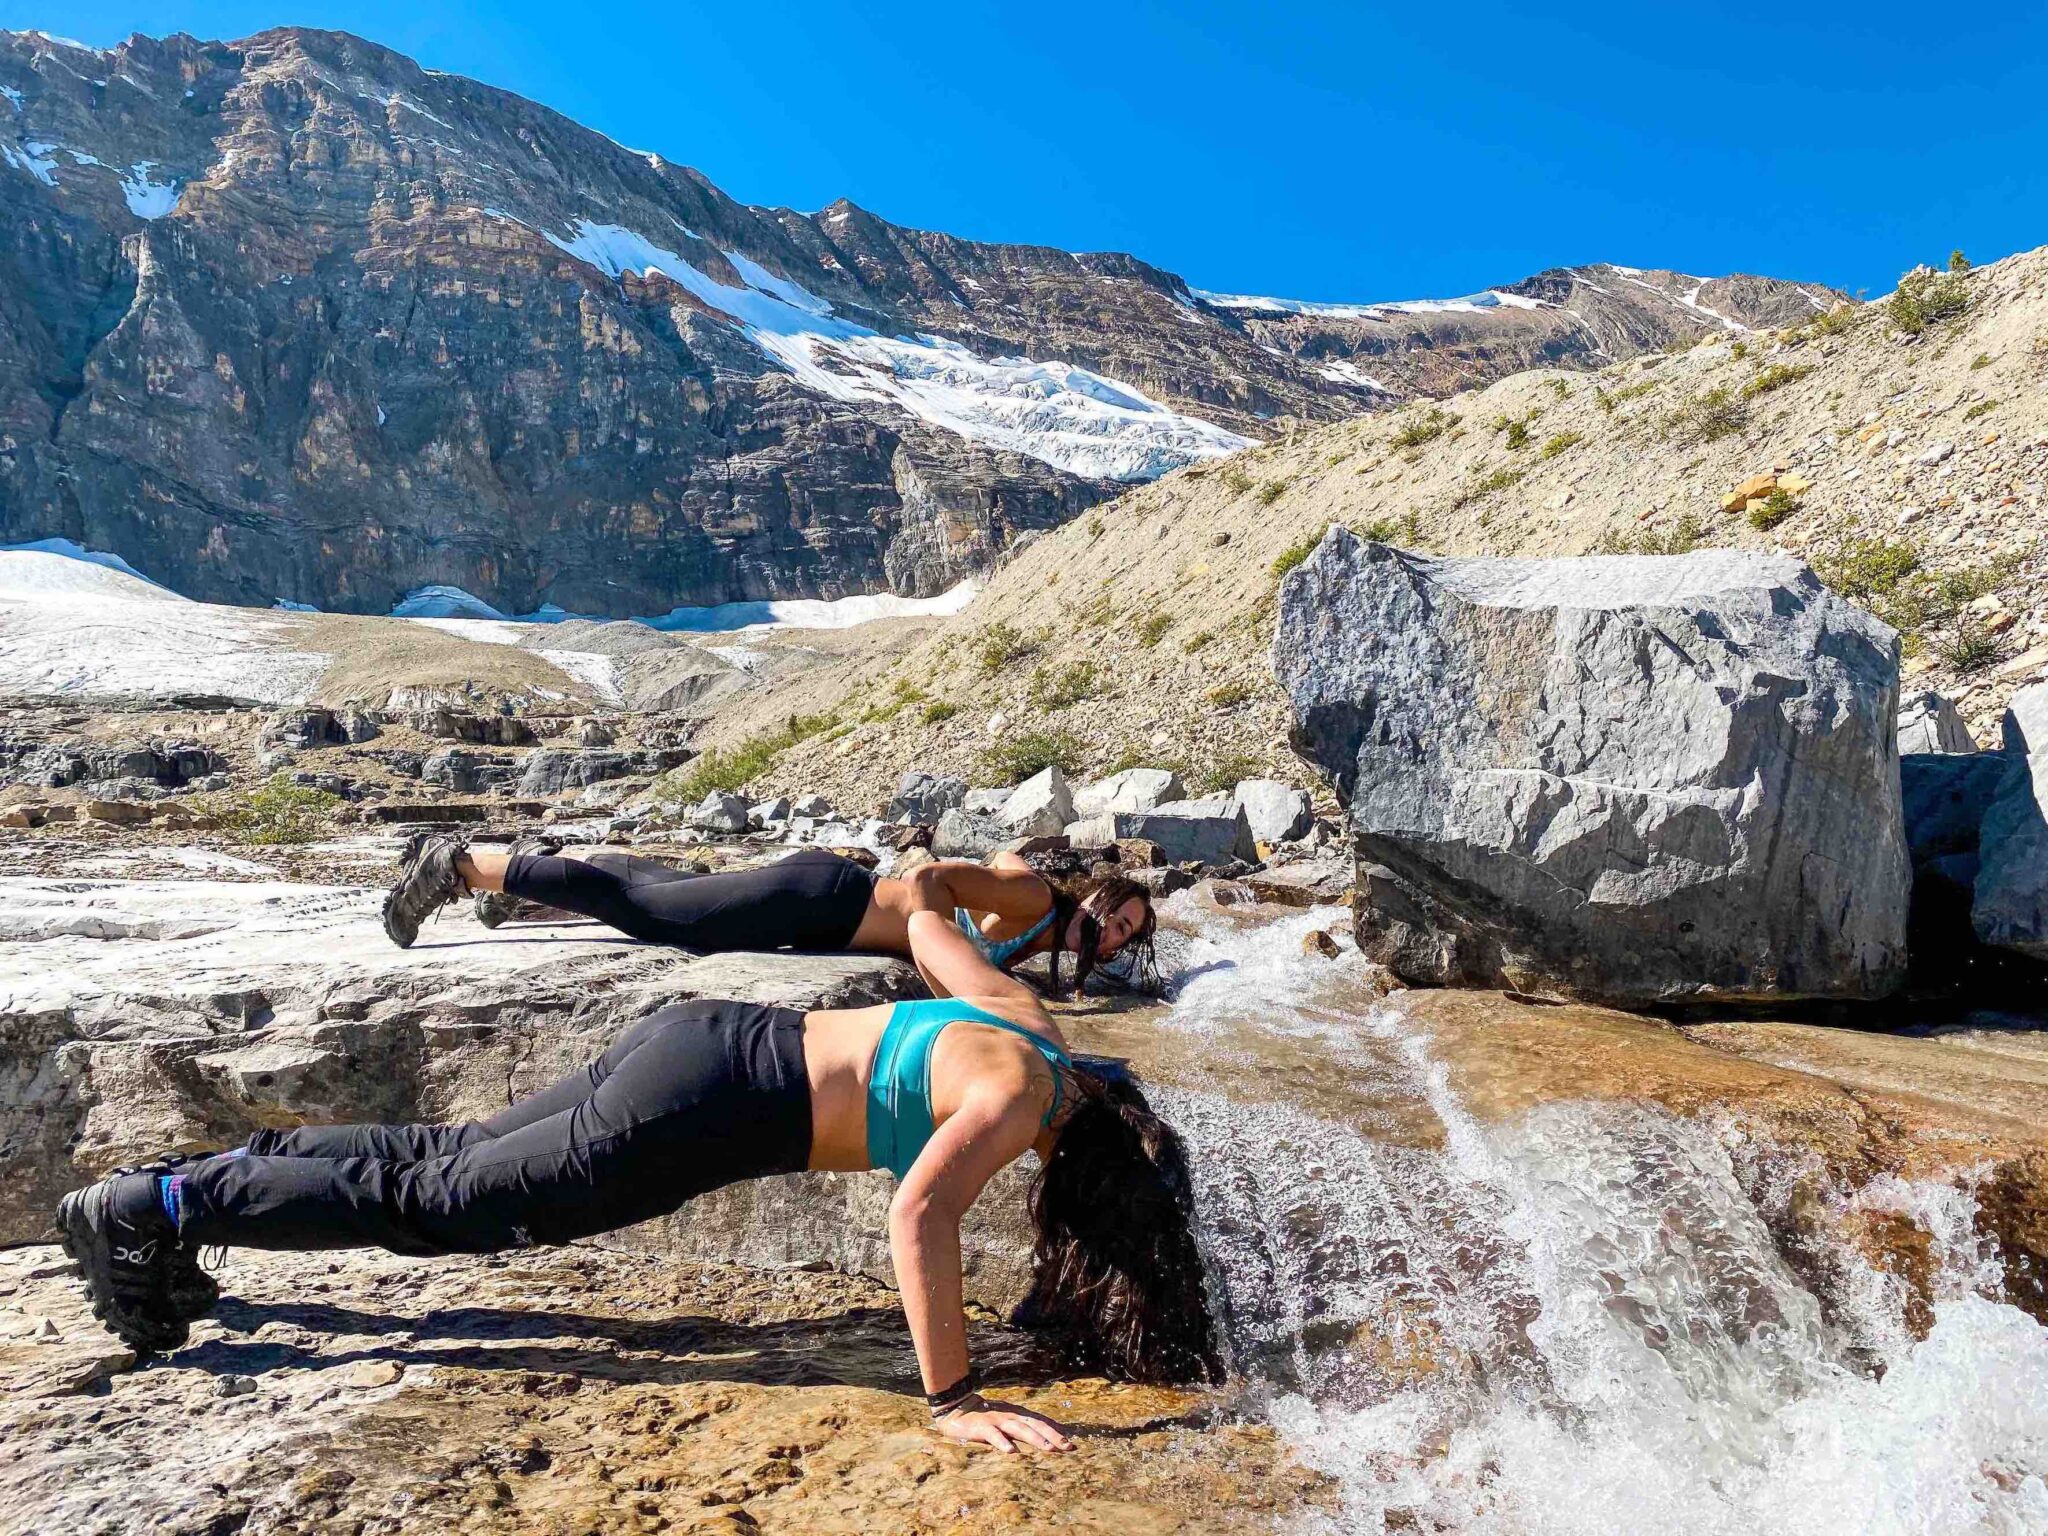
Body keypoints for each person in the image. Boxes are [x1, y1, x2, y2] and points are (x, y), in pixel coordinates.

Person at [55, 875, 1218, 1452]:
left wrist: (945, 885)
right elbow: (923, 1214)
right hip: (699, 1118)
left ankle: (180, 1187)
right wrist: (954, 1397)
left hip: (703, 1037)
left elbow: (918, 913)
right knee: (445, 1202)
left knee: (444, 1153)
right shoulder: (1020, 1103)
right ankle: (151, 1205)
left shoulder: (1029, 1026)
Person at [382, 836, 1158, 998]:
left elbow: (1012, 855)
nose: (1112, 935)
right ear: (1096, 893)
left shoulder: (1050, 932)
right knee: (659, 918)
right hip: (827, 900)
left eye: (1127, 935)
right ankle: (456, 866)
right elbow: (926, 875)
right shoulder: (1038, 907)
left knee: (676, 891)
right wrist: (937, 953)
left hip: (823, 914)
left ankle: (536, 871)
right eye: (1116, 915)